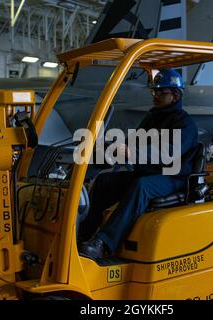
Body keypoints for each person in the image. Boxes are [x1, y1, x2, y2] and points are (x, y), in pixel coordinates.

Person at [78, 69, 199, 259]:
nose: (155, 95)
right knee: (103, 182)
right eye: (154, 91)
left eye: (160, 92)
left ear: (175, 95)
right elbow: (134, 140)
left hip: (173, 177)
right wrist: (108, 148)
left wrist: (132, 153)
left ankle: (104, 243)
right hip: (148, 172)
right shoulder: (153, 117)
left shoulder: (185, 124)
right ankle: (83, 234)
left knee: (141, 186)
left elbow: (166, 152)